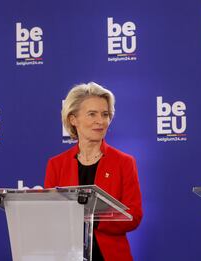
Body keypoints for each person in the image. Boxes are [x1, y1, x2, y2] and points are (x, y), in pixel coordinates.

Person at [44, 82, 143, 260]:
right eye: (92, 114)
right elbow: (50, 216)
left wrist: (93, 219)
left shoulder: (124, 162)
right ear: (73, 119)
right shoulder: (56, 164)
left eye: (105, 114)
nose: (100, 121)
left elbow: (133, 215)